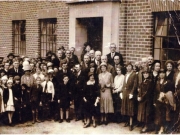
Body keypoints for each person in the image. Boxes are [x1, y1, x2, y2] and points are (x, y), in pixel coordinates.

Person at [154, 69, 175, 134]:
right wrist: (154, 101)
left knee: (165, 115)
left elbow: (171, 92)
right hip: (158, 100)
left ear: (165, 74)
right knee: (158, 114)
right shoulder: (157, 81)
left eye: (163, 73)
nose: (161, 74)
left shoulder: (168, 82)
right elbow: (155, 92)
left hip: (165, 101)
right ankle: (158, 127)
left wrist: (165, 94)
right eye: (160, 73)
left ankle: (163, 128)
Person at [120, 62, 138, 131]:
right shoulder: (126, 75)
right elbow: (124, 84)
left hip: (130, 93)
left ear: (132, 67)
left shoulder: (134, 74)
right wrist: (122, 92)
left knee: (131, 108)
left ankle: (131, 124)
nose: (128, 68)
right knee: (126, 107)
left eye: (130, 66)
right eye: (127, 67)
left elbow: (135, 85)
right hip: (125, 93)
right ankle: (127, 121)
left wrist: (132, 93)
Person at [137, 68, 153, 133]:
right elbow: (139, 90)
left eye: (146, 73)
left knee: (147, 113)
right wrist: (138, 96)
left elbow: (147, 92)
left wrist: (141, 97)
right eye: (144, 73)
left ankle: (146, 126)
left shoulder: (150, 82)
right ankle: (143, 125)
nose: (145, 74)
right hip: (142, 100)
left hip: (147, 100)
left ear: (149, 74)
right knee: (142, 113)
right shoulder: (143, 81)